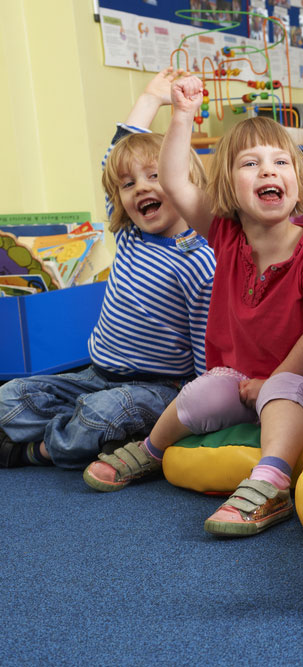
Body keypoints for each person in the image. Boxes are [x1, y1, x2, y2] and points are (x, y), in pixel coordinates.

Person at [81, 72, 303, 538]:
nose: (268, 171)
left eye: (280, 162)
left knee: (281, 392)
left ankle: (269, 484)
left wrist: (274, 380)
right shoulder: (225, 235)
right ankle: (150, 450)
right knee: (202, 390)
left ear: (296, 177)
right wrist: (181, 114)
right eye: (251, 164)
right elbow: (172, 179)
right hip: (242, 380)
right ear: (228, 185)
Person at [0, 68, 215, 470]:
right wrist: (150, 98)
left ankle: (36, 450)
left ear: (184, 182)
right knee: (8, 396)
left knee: (100, 415)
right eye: (129, 185)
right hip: (95, 373)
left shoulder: (199, 259)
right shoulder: (131, 234)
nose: (141, 188)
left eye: (156, 176)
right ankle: (78, 429)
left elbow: (207, 341)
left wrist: (200, 407)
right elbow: (112, 159)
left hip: (157, 387)